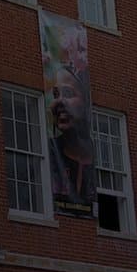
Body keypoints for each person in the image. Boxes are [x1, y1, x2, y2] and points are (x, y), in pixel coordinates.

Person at [47, 63, 94, 212]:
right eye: (55, 94)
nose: (59, 101)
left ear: (86, 102)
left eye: (67, 93)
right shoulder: (48, 151)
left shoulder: (96, 154)